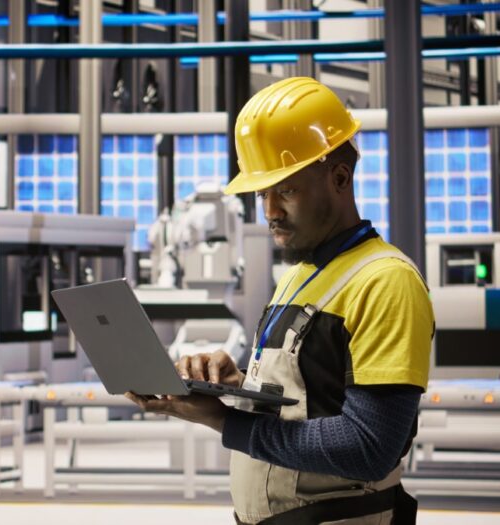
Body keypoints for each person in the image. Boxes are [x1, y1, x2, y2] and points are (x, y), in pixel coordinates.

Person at [126, 77, 434, 524]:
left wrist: (225, 422)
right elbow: (307, 397)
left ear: (340, 178)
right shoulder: (298, 275)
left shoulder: (386, 282)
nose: (269, 210)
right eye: (261, 194)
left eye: (285, 190)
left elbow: (369, 447)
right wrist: (235, 388)